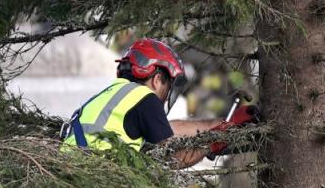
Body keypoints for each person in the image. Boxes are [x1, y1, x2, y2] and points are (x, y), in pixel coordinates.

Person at [61, 38, 257, 167]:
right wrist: (214, 143)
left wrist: (219, 125)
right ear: (156, 80)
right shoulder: (145, 99)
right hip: (99, 178)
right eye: (168, 86)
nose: (165, 95)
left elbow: (170, 129)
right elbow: (173, 159)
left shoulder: (111, 96)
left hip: (72, 168)